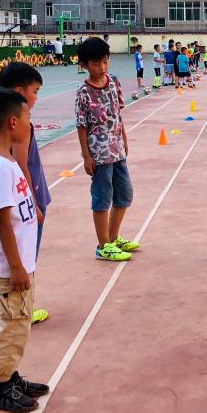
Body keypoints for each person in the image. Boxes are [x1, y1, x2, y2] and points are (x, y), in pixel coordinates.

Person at [0, 88, 50, 412]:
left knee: (18, 324)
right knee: (11, 327)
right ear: (12, 122)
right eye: (27, 117)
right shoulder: (0, 168)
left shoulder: (6, 162)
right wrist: (17, 267)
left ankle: (11, 376)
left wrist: (33, 209)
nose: (29, 123)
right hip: (11, 267)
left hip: (19, 262)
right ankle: (0, 388)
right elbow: (2, 221)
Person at [0, 63, 50, 326]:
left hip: (13, 199)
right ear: (20, 91)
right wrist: (34, 204)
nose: (36, 98)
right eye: (35, 91)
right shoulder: (21, 125)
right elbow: (22, 165)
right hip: (25, 199)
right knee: (24, 255)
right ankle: (20, 305)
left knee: (9, 250)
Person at [75, 36, 139, 262]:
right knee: (102, 198)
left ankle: (112, 238)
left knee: (125, 194)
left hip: (117, 149)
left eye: (105, 61)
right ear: (83, 65)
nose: (102, 67)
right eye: (96, 63)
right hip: (99, 155)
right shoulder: (83, 92)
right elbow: (81, 125)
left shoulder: (114, 82)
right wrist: (86, 156)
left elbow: (117, 114)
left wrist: (124, 139)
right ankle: (103, 246)